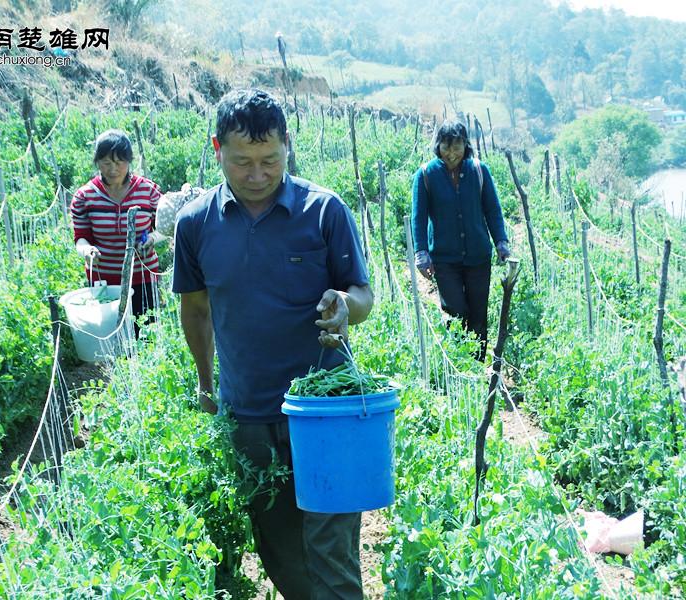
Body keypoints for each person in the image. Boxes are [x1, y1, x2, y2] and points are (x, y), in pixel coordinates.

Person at [173, 89, 373, 599]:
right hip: (250, 412)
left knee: (332, 548)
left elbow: (363, 294)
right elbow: (195, 309)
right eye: (242, 162)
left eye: (270, 160)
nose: (257, 174)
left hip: (326, 410)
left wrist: (345, 307)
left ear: (288, 144)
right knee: (279, 548)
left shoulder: (324, 211)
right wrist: (204, 381)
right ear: (217, 148)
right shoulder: (195, 225)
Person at [411, 120, 510, 361]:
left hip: (478, 256)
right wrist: (421, 253)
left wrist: (501, 242)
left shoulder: (479, 171)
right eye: (447, 146)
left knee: (478, 314)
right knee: (456, 311)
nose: (452, 153)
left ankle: (477, 366)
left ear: (466, 145)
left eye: (457, 147)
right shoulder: (426, 175)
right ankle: (459, 361)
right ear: (438, 145)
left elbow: (492, 210)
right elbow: (418, 217)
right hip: (444, 260)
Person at [70, 129, 162, 336]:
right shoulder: (85, 196)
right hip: (105, 281)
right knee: (114, 338)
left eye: (119, 162)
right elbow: (81, 237)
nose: (113, 169)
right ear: (97, 162)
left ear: (129, 161)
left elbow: (164, 228)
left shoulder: (148, 191)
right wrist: (86, 251)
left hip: (143, 275)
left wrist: (152, 239)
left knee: (146, 336)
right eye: (106, 163)